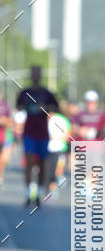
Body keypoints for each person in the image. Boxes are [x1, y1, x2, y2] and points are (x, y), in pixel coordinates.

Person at [16, 66, 58, 206]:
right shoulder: (25, 92)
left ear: (40, 76)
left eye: (37, 74)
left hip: (42, 133)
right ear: (30, 75)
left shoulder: (46, 93)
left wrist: (45, 108)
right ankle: (29, 193)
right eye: (33, 74)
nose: (35, 76)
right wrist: (26, 108)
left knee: (41, 164)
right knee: (28, 163)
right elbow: (19, 106)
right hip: (29, 132)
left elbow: (56, 108)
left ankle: (39, 193)